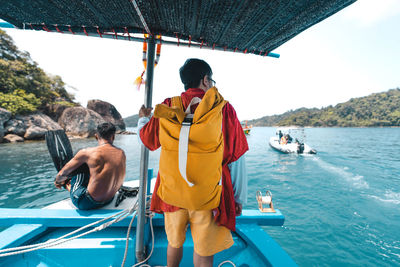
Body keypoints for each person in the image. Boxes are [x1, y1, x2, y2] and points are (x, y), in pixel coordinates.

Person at [138, 58, 248, 267]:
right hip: (210, 193)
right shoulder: (223, 108)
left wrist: (143, 120)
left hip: (173, 192)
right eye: (211, 80)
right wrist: (238, 197)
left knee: (174, 243)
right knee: (204, 251)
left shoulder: (168, 106)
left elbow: (148, 141)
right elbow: (237, 156)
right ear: (205, 80)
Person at [54, 122, 126, 210]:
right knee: (94, 166)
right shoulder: (121, 153)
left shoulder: (87, 153)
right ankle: (71, 184)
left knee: (81, 166)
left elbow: (61, 174)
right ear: (113, 136)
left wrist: (58, 182)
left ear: (96, 136)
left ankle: (67, 184)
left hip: (87, 202)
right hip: (110, 199)